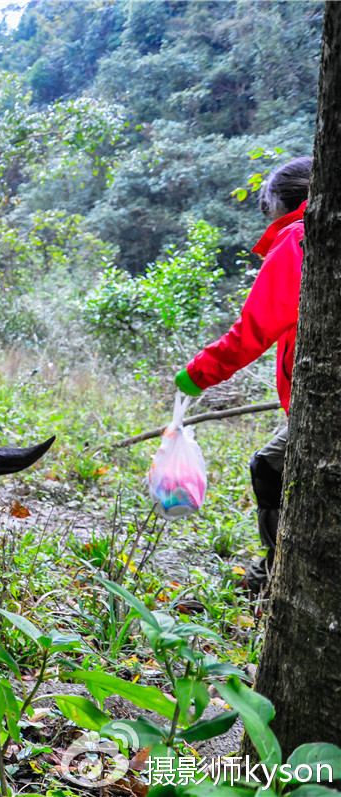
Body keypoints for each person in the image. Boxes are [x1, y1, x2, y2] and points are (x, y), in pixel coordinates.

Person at [174, 156, 311, 593]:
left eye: (265, 205)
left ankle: (273, 576)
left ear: (278, 202)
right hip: (306, 399)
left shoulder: (297, 236)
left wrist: (198, 373)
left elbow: (255, 328)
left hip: (319, 403)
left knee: (271, 467)